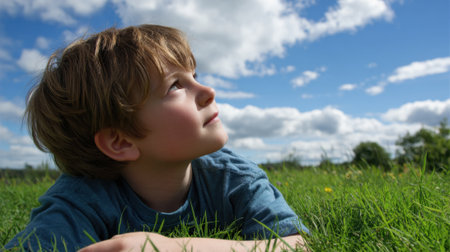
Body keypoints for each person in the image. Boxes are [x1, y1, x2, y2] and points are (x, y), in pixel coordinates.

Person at [5, 24, 308, 251]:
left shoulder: (234, 177)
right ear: (121, 142)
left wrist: (172, 247)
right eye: (175, 86)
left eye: (195, 76)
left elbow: (296, 245)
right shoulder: (81, 199)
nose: (208, 92)